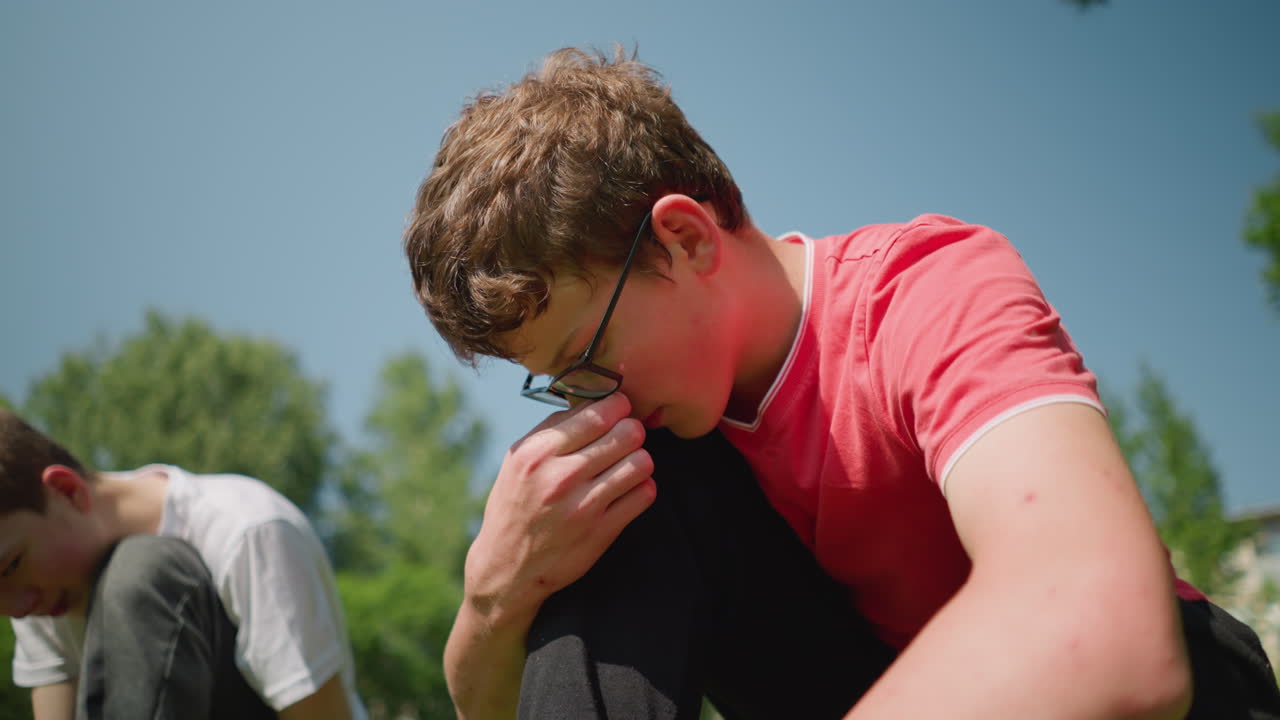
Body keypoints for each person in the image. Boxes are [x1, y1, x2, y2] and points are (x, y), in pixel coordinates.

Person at [403, 47, 1280, 719]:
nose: (595, 401)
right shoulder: (665, 446)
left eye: (583, 358)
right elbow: (494, 704)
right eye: (558, 385)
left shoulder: (925, 291)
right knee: (607, 497)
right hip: (877, 682)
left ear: (685, 240)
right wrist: (498, 590)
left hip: (1167, 693)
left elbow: (1117, 637)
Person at [0, 409, 366, 720]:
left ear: (66, 491)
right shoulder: (41, 588)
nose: (17, 608)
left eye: (10, 566)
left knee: (140, 573)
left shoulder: (248, 530)